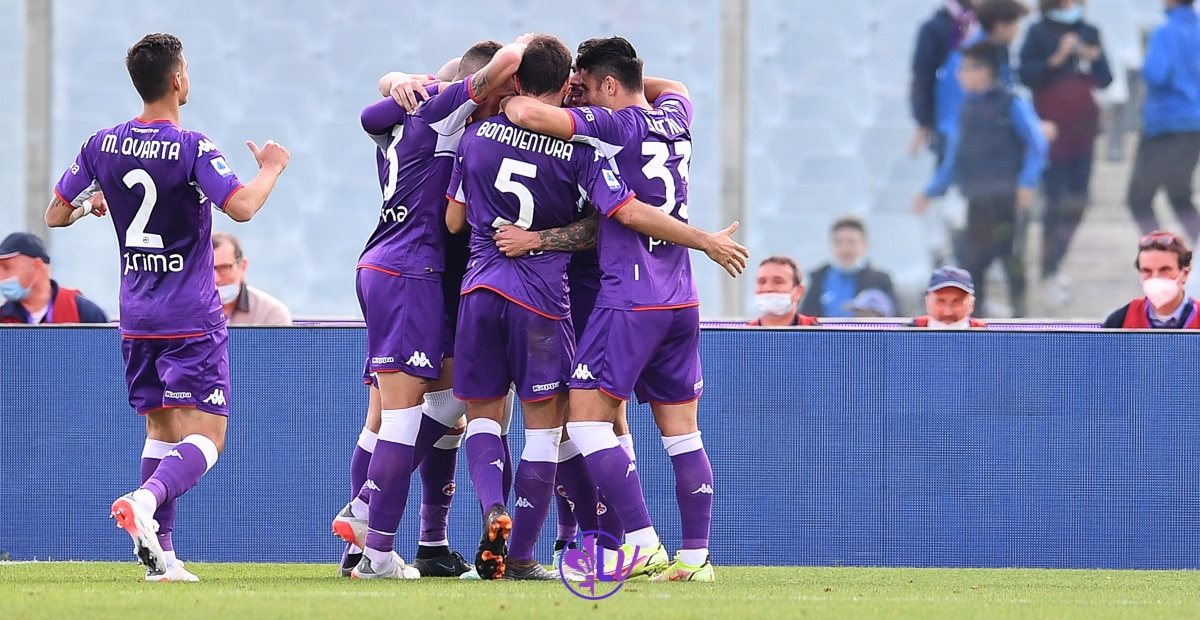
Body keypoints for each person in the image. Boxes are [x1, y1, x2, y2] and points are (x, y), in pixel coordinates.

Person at [504, 36, 749, 583]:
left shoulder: (615, 128)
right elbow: (672, 86)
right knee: (683, 434)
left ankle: (640, 544)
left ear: (609, 86)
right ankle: (696, 559)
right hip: (681, 299)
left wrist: (704, 240)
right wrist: (621, 77)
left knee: (587, 423)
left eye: (587, 88)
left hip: (631, 298)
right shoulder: (674, 116)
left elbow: (524, 111)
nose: (582, 99)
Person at [45, 33, 289, 581]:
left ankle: (163, 557)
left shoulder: (100, 144)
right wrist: (271, 167)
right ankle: (147, 500)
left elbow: (55, 215)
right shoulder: (192, 147)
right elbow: (243, 207)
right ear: (178, 80)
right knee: (208, 435)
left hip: (136, 316)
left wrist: (92, 203)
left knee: (161, 431)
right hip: (190, 316)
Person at [445, 35, 653, 580]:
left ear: (514, 83)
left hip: (480, 291)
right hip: (541, 302)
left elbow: (452, 222)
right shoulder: (582, 150)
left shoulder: (474, 139)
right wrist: (539, 239)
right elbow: (597, 227)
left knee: (483, 419)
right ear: (565, 86)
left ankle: (493, 509)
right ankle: (521, 558)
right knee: (545, 432)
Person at [332, 36, 529, 581]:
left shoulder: (404, 117)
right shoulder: (450, 113)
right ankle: (370, 529)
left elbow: (374, 111)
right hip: (417, 272)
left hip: (388, 266)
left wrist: (395, 80)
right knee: (402, 414)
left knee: (441, 405)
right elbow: (499, 68)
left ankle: (382, 544)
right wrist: (533, 48)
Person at [915, 40, 1049, 318]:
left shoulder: (1012, 103)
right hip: (977, 200)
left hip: (1006, 198)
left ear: (984, 72)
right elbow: (953, 159)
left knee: (1010, 255)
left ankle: (1020, 315)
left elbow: (1037, 144)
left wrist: (1027, 182)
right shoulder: (965, 110)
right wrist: (931, 191)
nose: (959, 75)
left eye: (965, 69)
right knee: (973, 261)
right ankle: (978, 319)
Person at [1019, 0, 1113, 307]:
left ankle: (1057, 259)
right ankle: (1048, 268)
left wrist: (1093, 58)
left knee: (1079, 201)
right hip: (1051, 133)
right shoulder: (1037, 33)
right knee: (1055, 202)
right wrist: (1057, 58)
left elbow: (1106, 77)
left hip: (1083, 132)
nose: (1070, 5)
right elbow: (1026, 76)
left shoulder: (1089, 31)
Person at [1125, 0, 1200, 241]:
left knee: (1139, 198)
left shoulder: (1164, 32)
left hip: (1164, 124)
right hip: (1194, 123)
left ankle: (1162, 258)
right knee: (1179, 195)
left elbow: (1156, 72)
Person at [933, 0, 1031, 153]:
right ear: (1000, 26)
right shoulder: (976, 57)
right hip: (965, 139)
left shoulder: (994, 50)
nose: (1018, 29)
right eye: (1015, 23)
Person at [910, 0, 978, 159]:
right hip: (947, 116)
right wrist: (924, 120)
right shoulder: (935, 28)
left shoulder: (983, 24)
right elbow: (923, 77)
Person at [798, 216, 897, 318]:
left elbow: (896, 321)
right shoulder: (818, 278)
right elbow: (805, 318)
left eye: (851, 242)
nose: (845, 250)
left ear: (865, 245)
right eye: (839, 242)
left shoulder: (880, 281)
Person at [0, 232, 109, 324]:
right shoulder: (2, 317)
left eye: (7, 268)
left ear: (36, 266)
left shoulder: (85, 312)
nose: (1, 276)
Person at [1103, 231, 1200, 328]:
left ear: (1185, 274)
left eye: (1164, 270)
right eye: (1147, 271)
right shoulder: (1119, 321)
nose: (1155, 277)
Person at [210, 232, 291, 325]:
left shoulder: (270, 313)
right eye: (207, 269)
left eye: (224, 268)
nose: (215, 278)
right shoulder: (190, 310)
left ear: (242, 266)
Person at [748, 255, 819, 326]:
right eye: (762, 282)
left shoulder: (819, 334)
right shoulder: (742, 334)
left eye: (778, 282)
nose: (768, 288)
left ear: (798, 292)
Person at [909, 266, 987, 328]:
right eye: (941, 301)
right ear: (927, 302)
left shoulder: (988, 337)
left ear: (971, 304)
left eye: (956, 301)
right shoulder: (906, 334)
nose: (948, 312)